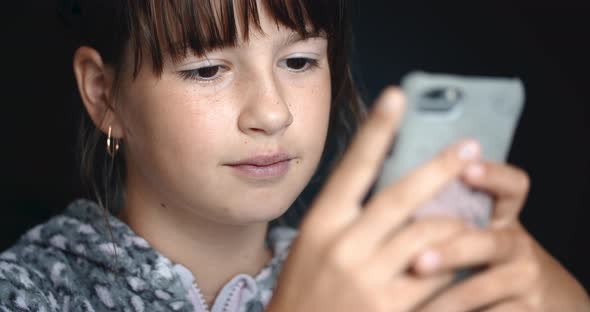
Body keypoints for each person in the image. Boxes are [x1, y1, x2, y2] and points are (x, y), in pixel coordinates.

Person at [1, 0, 588, 311]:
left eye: (300, 61)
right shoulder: (24, 294)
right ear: (104, 94)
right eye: (207, 69)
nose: (274, 112)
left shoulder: (388, 289)